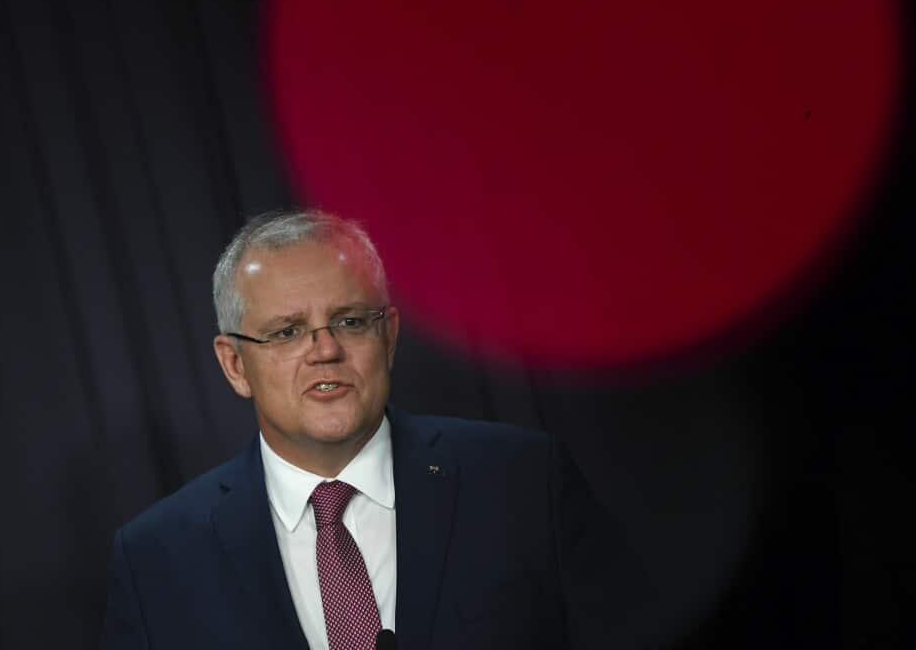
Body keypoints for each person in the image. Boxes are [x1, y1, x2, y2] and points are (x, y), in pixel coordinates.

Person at [102, 209, 641, 649]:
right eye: (288, 332)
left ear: (389, 336)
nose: (326, 350)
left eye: (350, 321)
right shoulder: (156, 559)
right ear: (235, 365)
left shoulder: (522, 481)